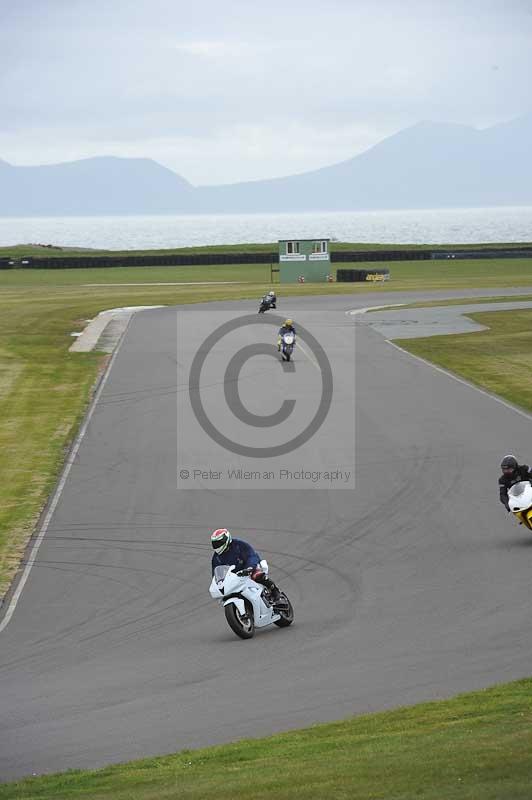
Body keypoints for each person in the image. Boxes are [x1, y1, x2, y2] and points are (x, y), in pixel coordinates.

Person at [211, 528, 281, 602]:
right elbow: (216, 573)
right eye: (214, 544)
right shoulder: (216, 557)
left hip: (249, 568)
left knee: (257, 575)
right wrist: (219, 583)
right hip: (234, 577)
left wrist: (249, 568)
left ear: (226, 540)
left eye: (218, 543)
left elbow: (251, 556)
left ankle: (274, 591)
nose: (216, 546)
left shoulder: (239, 545)